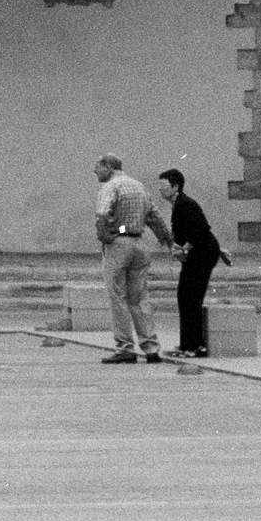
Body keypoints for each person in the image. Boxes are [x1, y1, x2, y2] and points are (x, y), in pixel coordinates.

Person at [91, 154, 171, 364]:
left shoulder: (110, 187)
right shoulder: (139, 186)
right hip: (139, 242)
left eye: (97, 167)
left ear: (108, 167)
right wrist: (167, 240)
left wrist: (105, 236)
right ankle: (151, 347)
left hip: (119, 244)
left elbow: (102, 214)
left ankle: (125, 347)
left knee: (117, 297)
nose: (95, 172)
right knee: (140, 298)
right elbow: (154, 216)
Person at [155, 167, 227, 357]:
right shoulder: (178, 204)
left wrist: (184, 249)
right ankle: (188, 344)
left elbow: (200, 229)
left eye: (164, 186)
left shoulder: (185, 204)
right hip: (199, 253)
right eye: (159, 186)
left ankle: (195, 347)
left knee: (190, 298)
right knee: (184, 297)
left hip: (202, 255)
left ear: (175, 186)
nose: (160, 189)